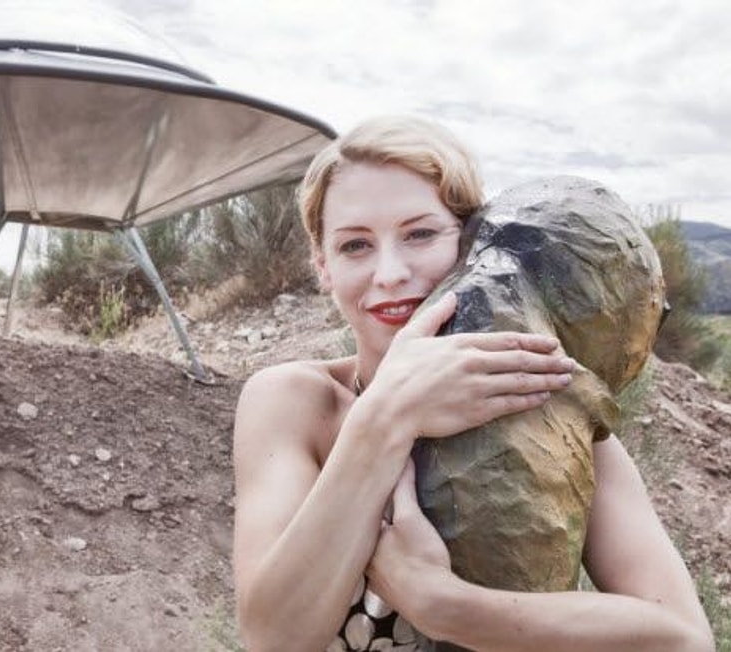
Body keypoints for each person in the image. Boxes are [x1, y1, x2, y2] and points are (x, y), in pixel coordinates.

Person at [231, 115, 715, 652]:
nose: (390, 273)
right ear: (323, 265)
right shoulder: (294, 402)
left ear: (472, 245)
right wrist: (386, 416)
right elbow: (272, 638)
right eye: (355, 246)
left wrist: (441, 603)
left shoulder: (539, 400)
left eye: (419, 234)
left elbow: (684, 640)